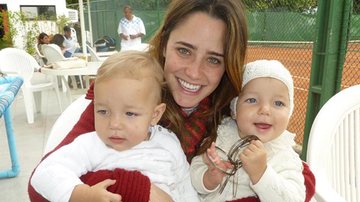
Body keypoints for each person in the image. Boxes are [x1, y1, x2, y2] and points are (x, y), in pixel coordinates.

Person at [28, 0, 315, 201]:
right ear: (164, 43)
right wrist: (143, 192)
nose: (193, 72)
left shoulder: (230, 108)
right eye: (184, 50)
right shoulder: (125, 95)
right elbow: (37, 189)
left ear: (228, 64)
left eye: (213, 59)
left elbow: (302, 178)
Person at [31, 51, 198, 202]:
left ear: (155, 115)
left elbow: (185, 187)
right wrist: (81, 194)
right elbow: (44, 172)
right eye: (103, 111)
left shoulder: (169, 143)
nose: (114, 124)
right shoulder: (92, 144)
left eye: (130, 114)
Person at [191, 60, 305, 202]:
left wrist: (261, 174)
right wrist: (209, 178)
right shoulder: (221, 136)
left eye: (278, 103)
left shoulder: (284, 155)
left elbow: (295, 198)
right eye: (252, 100)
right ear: (234, 109)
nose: (265, 110)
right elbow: (194, 172)